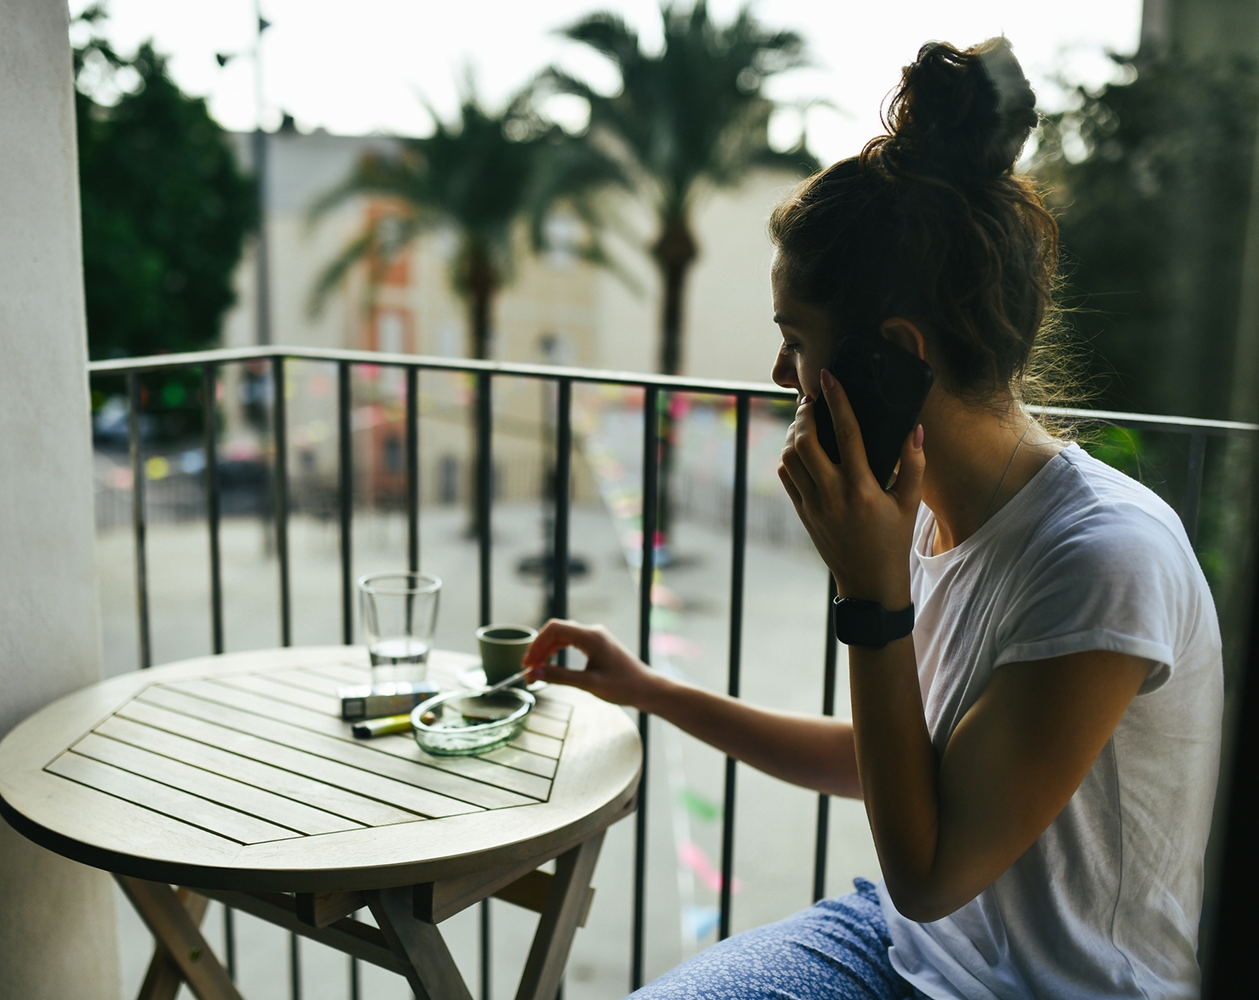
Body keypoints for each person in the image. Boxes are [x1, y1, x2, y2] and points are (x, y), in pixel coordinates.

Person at [522, 37, 1222, 1000]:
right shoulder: (934, 514)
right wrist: (650, 690)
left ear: (894, 351)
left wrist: (871, 594)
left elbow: (932, 873)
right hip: (902, 949)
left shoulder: (1102, 559)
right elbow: (897, 763)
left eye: (795, 339)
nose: (779, 377)